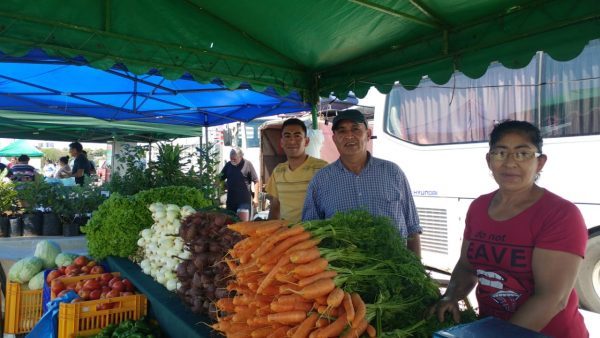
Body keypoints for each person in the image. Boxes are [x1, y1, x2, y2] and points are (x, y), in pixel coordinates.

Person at [430, 120, 588, 337]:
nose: (510, 163)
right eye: (500, 153)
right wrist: (450, 296)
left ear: (540, 162)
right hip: (488, 327)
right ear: (489, 160)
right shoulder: (478, 207)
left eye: (523, 154)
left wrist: (499, 336)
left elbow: (552, 298)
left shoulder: (560, 214)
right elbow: (467, 266)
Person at [302, 109, 422, 257]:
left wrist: (416, 268)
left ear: (368, 134)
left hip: (395, 269)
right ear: (334, 139)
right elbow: (310, 233)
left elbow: (413, 228)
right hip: (342, 273)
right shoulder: (321, 180)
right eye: (342, 131)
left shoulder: (392, 172)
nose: (349, 136)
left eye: (355, 129)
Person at [265, 118, 328, 223]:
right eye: (287, 136)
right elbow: (275, 205)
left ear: (306, 141)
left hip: (314, 235)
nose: (292, 141)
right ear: (281, 142)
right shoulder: (278, 171)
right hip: (286, 235)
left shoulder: (321, 168)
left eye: (297, 136)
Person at [220, 147, 259, 220]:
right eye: (231, 159)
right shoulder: (228, 165)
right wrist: (218, 187)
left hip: (244, 201)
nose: (232, 161)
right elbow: (219, 178)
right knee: (231, 224)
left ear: (241, 157)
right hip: (231, 201)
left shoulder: (248, 164)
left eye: (234, 159)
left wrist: (256, 198)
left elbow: (256, 181)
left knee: (242, 225)